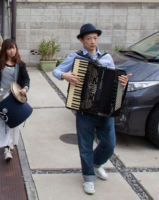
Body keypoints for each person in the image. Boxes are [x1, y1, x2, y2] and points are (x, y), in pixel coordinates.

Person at [52, 23, 131, 195]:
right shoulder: (76, 57)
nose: (93, 41)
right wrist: (65, 75)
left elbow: (115, 80)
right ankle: (88, 177)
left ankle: (96, 163)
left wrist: (122, 81)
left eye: (95, 38)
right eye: (89, 38)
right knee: (85, 145)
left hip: (105, 110)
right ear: (81, 40)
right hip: (84, 110)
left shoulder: (107, 58)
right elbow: (56, 71)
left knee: (109, 144)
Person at [0, 39, 30, 161]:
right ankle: (6, 148)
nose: (12, 51)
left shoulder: (21, 64)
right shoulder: (1, 63)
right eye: (9, 48)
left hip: (15, 98)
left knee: (13, 123)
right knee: (3, 122)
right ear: (5, 50)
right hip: (2, 97)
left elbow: (26, 79)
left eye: (13, 48)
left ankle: (9, 144)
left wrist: (25, 89)